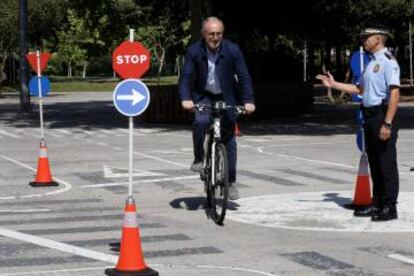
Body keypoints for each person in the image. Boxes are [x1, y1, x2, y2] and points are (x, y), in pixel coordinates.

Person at [316, 24, 400, 221]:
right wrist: (334, 84)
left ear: (378, 38)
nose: (363, 40)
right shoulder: (371, 63)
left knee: (386, 163)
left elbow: (395, 92)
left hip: (381, 114)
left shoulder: (388, 61)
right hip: (370, 115)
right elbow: (359, 89)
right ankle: (377, 202)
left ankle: (390, 207)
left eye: (367, 37)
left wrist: (387, 123)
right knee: (375, 162)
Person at [178, 16, 255, 200]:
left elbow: (243, 76)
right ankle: (198, 158)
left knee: (229, 139)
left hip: (226, 95)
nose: (215, 37)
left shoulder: (232, 50)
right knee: (201, 121)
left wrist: (248, 100)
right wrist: (186, 98)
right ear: (204, 34)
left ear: (223, 34)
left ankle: (230, 182)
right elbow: (187, 76)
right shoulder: (194, 51)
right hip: (203, 95)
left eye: (219, 33)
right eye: (211, 33)